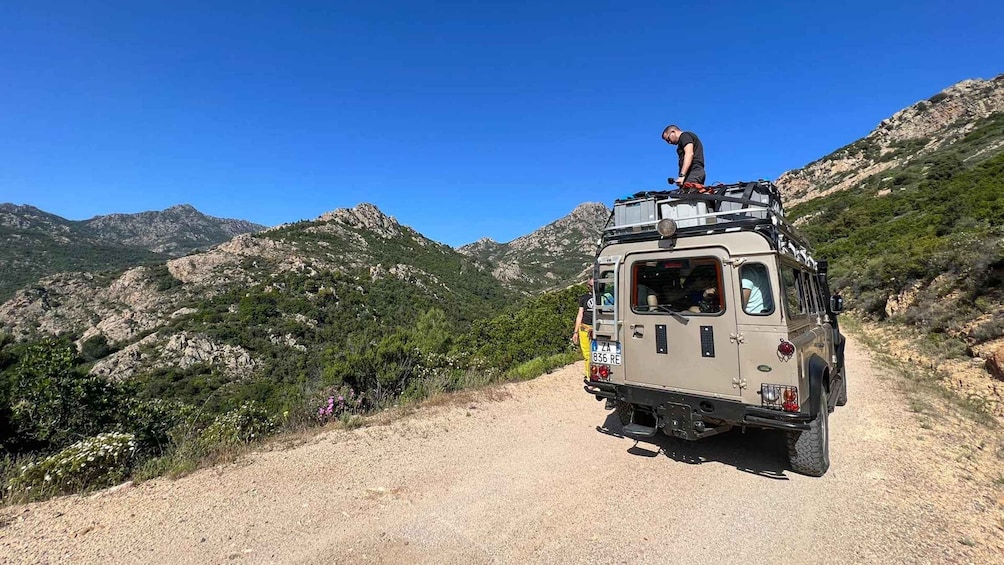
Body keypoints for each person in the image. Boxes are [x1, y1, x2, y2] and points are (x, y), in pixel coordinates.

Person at [572, 277, 596, 378]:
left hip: (597, 329)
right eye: (590, 285)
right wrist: (575, 332)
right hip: (585, 328)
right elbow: (580, 315)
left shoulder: (602, 297)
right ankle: (590, 376)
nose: (591, 287)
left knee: (596, 354)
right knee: (587, 355)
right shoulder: (583, 298)